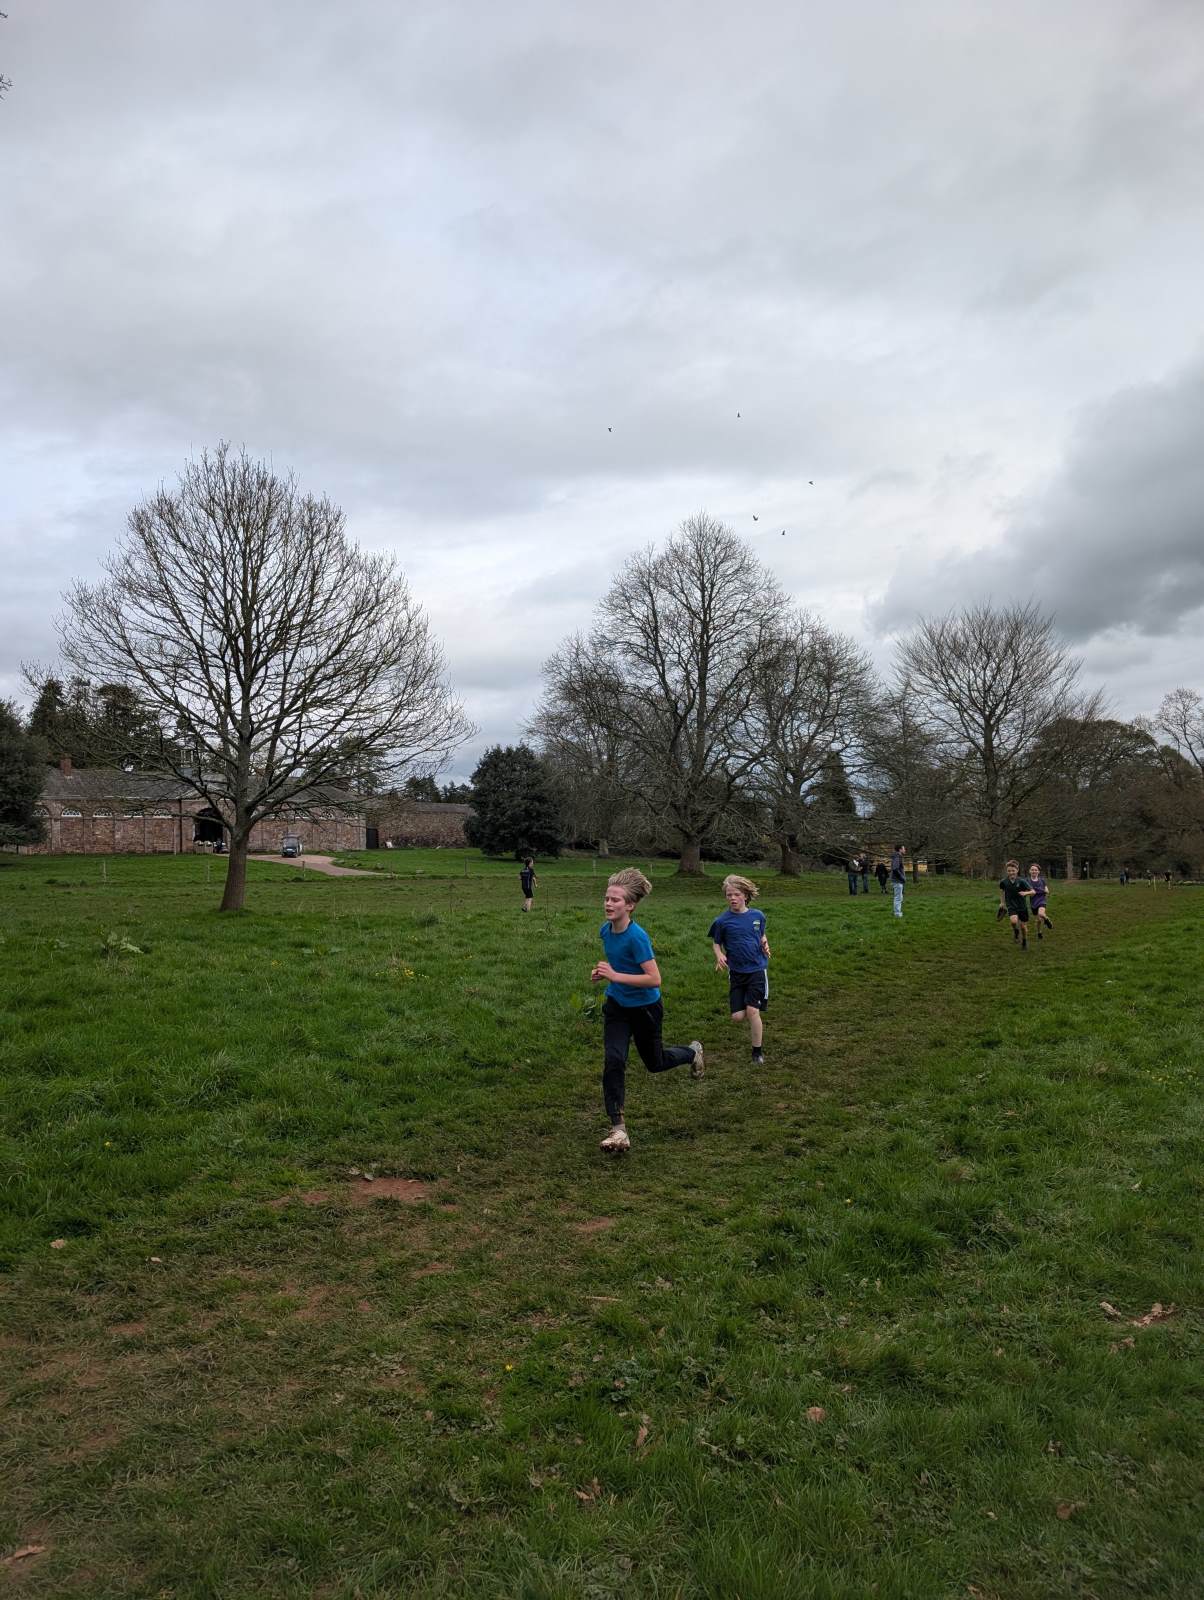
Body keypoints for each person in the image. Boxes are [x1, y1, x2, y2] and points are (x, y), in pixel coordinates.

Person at [591, 868, 703, 1154]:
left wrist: (615, 975)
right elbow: (619, 964)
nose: (608, 904)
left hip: (645, 1009)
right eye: (607, 898)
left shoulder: (637, 937)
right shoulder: (606, 930)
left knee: (655, 1062)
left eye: (615, 900)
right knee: (614, 1060)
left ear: (630, 905)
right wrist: (604, 973)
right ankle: (618, 1129)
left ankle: (692, 1053)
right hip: (617, 1006)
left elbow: (654, 979)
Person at [709, 873, 772, 1066]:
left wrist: (765, 944)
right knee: (737, 1017)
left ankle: (757, 1053)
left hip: (757, 969)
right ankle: (749, 1003)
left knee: (752, 1011)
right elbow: (716, 943)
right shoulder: (721, 921)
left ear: (745, 895)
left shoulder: (758, 916)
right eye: (729, 895)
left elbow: (761, 935)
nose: (733, 898)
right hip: (736, 971)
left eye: (736, 894)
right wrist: (719, 955)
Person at [998, 860, 1034, 950]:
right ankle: (1016, 931)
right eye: (1009, 871)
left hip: (1022, 907)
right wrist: (1002, 902)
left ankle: (1024, 941)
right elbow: (1002, 891)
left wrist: (1026, 893)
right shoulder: (1004, 882)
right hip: (1011, 905)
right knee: (1013, 922)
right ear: (1007, 871)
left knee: (1023, 927)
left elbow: (1033, 891)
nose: (1011, 872)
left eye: (1013, 870)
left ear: (1017, 870)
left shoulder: (1022, 881)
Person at [1028, 862, 1053, 938]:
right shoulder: (1027, 881)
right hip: (1033, 902)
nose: (1034, 871)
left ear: (1038, 871)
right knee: (1038, 920)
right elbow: (1029, 893)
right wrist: (1033, 892)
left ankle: (1047, 920)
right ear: (1029, 871)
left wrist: (1038, 890)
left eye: (1036, 870)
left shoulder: (1042, 880)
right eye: (1032, 870)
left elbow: (1047, 891)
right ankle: (1039, 932)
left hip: (1042, 900)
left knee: (1041, 914)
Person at [890, 843, 906, 917]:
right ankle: (897, 914)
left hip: (898, 880)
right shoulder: (897, 857)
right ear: (900, 849)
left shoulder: (898, 856)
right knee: (898, 898)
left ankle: (897, 912)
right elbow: (895, 869)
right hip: (897, 880)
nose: (905, 850)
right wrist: (902, 877)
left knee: (899, 897)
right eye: (904, 848)